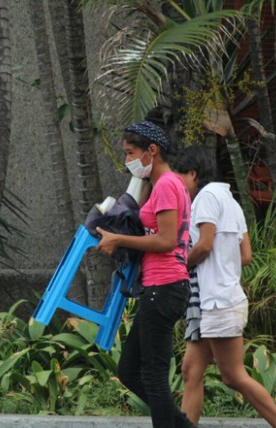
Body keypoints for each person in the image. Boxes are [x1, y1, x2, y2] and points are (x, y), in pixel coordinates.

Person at [174, 147, 276, 427]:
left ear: (193, 174)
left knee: (233, 376)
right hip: (221, 298)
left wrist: (180, 267)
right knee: (191, 371)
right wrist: (221, 265)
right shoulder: (230, 200)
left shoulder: (204, 198)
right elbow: (246, 255)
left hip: (219, 301)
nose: (179, 190)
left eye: (180, 182)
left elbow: (204, 244)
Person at [96, 120, 194, 428]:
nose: (128, 161)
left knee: (152, 375)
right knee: (130, 371)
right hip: (159, 287)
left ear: (152, 151)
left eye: (130, 153)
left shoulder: (166, 184)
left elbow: (166, 241)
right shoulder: (162, 184)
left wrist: (118, 239)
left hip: (164, 287)